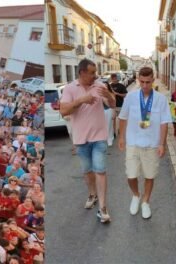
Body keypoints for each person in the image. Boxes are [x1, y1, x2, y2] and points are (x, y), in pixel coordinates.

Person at [60, 58, 115, 223]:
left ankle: (103, 208)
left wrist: (109, 95)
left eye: (95, 72)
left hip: (99, 137)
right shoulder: (70, 89)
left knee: (100, 170)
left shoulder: (99, 86)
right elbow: (63, 111)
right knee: (87, 171)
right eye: (91, 73)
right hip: (80, 139)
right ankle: (92, 194)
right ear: (82, 72)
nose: (95, 75)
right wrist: (81, 100)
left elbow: (112, 104)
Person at [118, 66, 172, 219]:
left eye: (148, 82)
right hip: (133, 142)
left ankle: (145, 202)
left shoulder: (161, 99)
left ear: (153, 80)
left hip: (152, 144)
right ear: (138, 80)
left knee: (150, 175)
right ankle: (136, 195)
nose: (145, 85)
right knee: (131, 175)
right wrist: (121, 137)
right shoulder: (131, 97)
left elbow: (164, 122)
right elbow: (123, 117)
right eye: (142, 82)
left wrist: (162, 143)